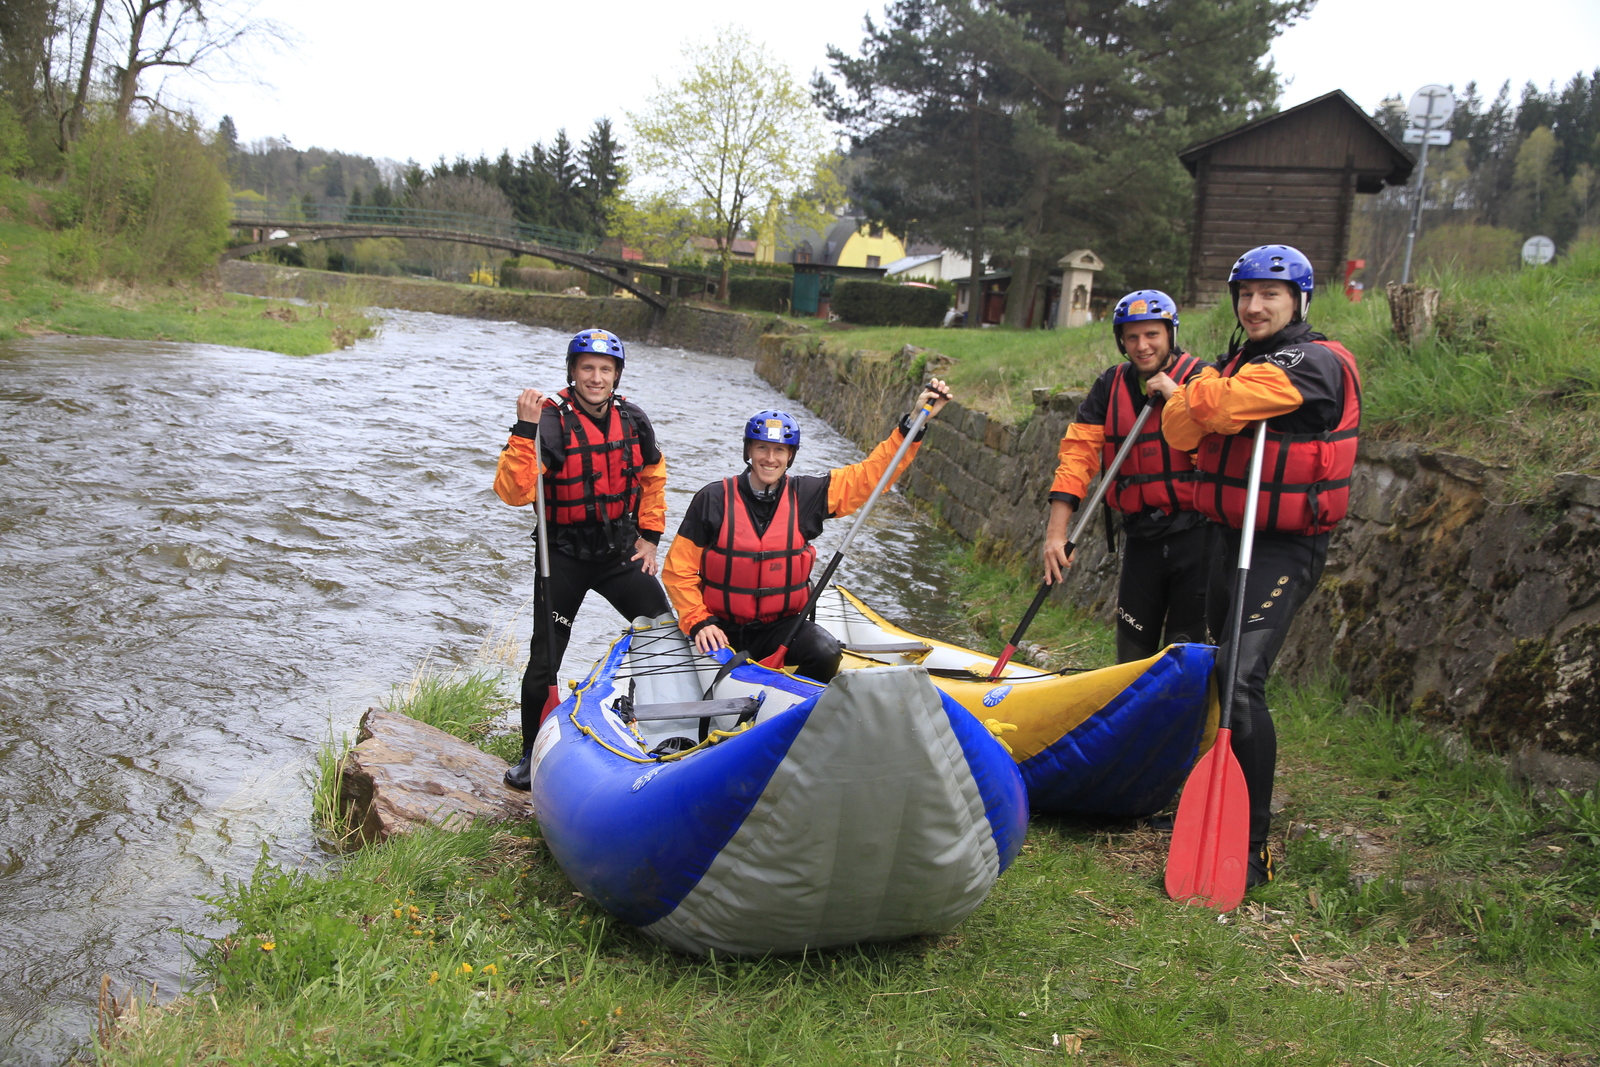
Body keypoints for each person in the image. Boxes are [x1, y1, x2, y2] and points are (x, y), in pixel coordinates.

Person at [1154, 245, 1361, 887]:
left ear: (1299, 300)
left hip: (1281, 547)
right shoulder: (1238, 363)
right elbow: (1177, 429)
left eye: (1270, 294)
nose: (1254, 305)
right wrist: (1205, 397)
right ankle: (1212, 797)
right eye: (1245, 294)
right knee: (1220, 669)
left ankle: (1255, 844)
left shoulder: (1317, 361)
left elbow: (1206, 409)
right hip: (1229, 536)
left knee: (1241, 679)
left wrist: (1202, 395)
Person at [663, 381, 952, 682]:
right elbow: (677, 570)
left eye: (779, 450)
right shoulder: (713, 499)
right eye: (762, 447)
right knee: (708, 652)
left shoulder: (808, 495)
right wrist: (698, 621)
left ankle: (796, 709)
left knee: (826, 652)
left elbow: (871, 476)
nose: (770, 459)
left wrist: (914, 422)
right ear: (749, 450)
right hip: (721, 627)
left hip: (781, 628)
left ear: (791, 456)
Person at [494, 328, 672, 790]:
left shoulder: (633, 419)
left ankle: (659, 731)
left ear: (616, 376)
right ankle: (531, 753)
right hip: (564, 557)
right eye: (587, 368)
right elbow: (512, 492)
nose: (596, 377)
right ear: (573, 373)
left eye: (605, 370)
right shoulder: (548, 421)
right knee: (544, 660)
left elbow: (653, 475)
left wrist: (650, 536)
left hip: (618, 553)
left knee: (663, 633)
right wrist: (524, 429)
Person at [1042, 289, 1210, 664]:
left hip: (1198, 536)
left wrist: (1177, 397)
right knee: (1132, 653)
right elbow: (1077, 457)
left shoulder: (1202, 379)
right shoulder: (1109, 385)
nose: (1142, 346)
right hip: (1141, 535)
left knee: (1187, 653)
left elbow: (1219, 451)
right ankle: (1134, 721)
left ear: (1170, 335)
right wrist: (1056, 535)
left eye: (1152, 335)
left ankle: (1187, 721)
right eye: (1132, 337)